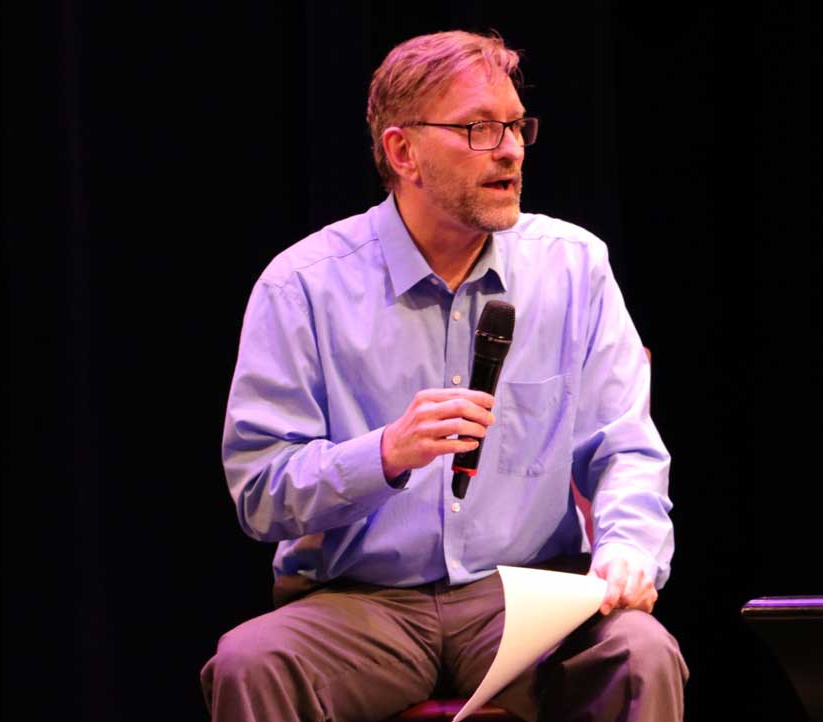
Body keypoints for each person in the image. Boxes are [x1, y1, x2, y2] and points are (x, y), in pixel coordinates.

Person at [202, 30, 687, 722]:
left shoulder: (572, 266)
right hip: (362, 605)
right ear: (404, 152)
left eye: (517, 126)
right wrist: (384, 454)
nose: (512, 150)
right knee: (252, 663)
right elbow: (261, 491)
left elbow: (625, 448)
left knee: (641, 652)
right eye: (480, 129)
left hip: (525, 601)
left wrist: (627, 551)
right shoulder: (302, 285)